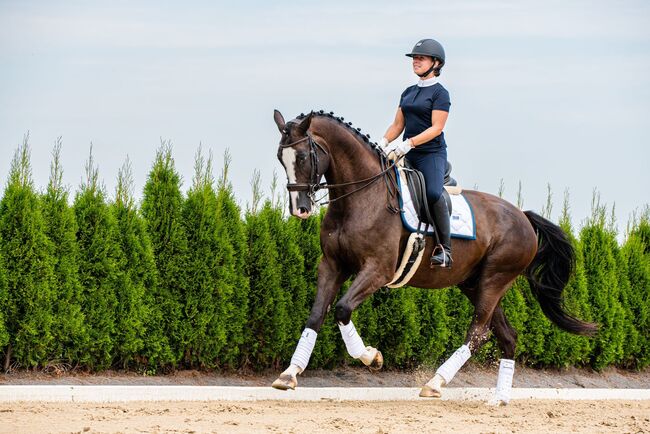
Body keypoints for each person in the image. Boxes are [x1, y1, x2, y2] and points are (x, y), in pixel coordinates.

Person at [380, 38, 452, 268]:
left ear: (436, 63)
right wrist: (383, 142)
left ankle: (445, 249)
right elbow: (397, 125)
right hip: (406, 154)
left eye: (421, 58)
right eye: (414, 58)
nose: (416, 61)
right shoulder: (408, 92)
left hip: (430, 154)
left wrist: (408, 144)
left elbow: (436, 128)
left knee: (432, 193)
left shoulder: (440, 94)